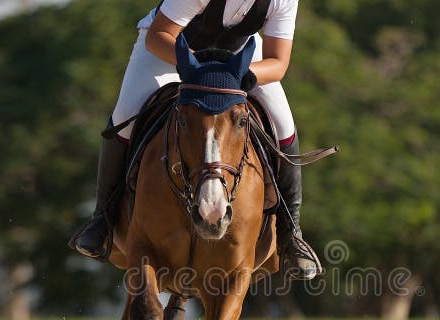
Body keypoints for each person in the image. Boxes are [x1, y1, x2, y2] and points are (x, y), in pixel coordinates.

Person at [70, 0, 321, 280]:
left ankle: (291, 234)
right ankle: (102, 220)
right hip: (168, 48)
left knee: (284, 126)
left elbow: (278, 62)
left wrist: (245, 76)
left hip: (237, 55)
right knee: (124, 117)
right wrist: (199, 68)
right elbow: (159, 36)